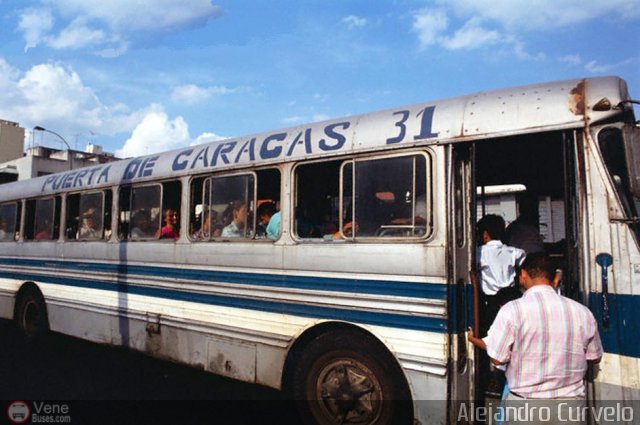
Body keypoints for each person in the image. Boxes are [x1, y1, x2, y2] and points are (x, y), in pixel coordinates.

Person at [479, 253, 603, 424]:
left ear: (523, 274)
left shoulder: (511, 311)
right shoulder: (582, 312)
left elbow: (497, 358)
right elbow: (595, 357)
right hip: (569, 409)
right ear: (556, 278)